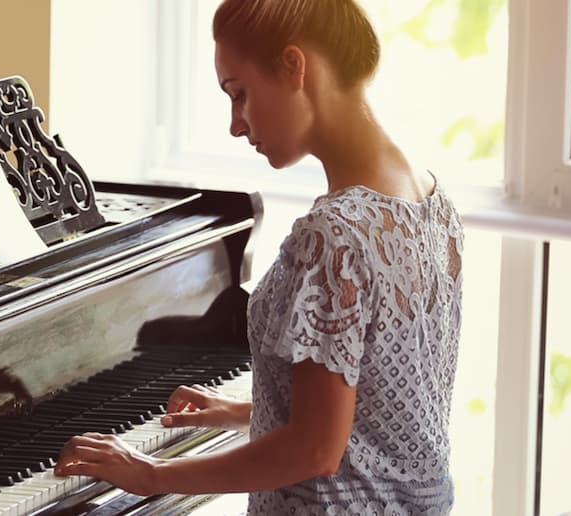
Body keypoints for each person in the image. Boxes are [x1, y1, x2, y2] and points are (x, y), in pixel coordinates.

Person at [54, 0, 464, 513]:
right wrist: (247, 410)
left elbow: (314, 450)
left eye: (239, 94)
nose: (235, 124)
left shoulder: (334, 235)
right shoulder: (432, 202)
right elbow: (372, 404)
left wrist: (149, 473)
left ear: (294, 67)